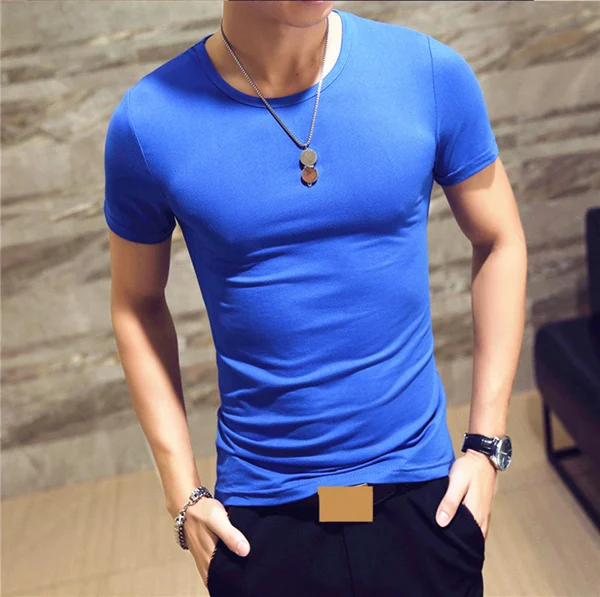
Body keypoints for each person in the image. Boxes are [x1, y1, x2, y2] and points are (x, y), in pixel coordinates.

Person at [103, 1, 526, 596]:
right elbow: (136, 303)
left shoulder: (427, 72)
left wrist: (486, 446)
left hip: (422, 502)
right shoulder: (149, 121)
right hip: (263, 521)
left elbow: (501, 238)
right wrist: (184, 496)